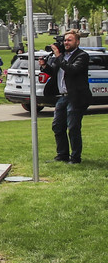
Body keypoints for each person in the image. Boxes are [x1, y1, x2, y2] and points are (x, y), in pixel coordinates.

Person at [41, 31, 91, 164]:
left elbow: (72, 70)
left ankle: (75, 158)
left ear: (77, 42)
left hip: (76, 97)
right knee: (57, 126)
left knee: (73, 127)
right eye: (65, 40)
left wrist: (58, 56)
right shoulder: (62, 57)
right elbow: (56, 72)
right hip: (62, 97)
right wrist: (45, 66)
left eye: (70, 40)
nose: (66, 43)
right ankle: (62, 154)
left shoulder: (82, 56)